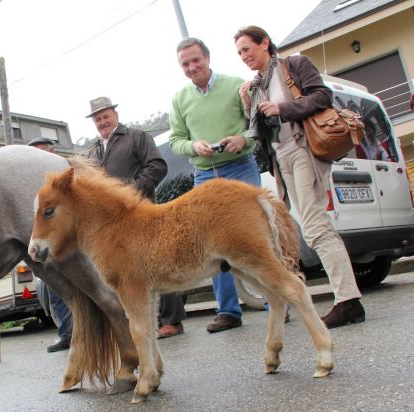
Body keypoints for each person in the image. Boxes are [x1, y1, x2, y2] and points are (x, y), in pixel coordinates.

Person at [234, 25, 365, 328]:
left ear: (264, 42)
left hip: (304, 149)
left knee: (317, 226)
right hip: (282, 159)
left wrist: (283, 108)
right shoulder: (257, 84)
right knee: (306, 227)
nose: (243, 56)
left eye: (247, 49)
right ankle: (337, 299)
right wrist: (248, 103)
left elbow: (322, 96)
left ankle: (348, 301)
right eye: (239, 53)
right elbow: (259, 129)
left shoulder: (294, 64)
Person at [169, 37, 261, 334]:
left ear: (207, 57)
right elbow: (175, 141)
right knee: (213, 244)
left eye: (196, 60)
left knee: (255, 236)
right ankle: (228, 312)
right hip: (205, 175)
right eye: (185, 63)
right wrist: (194, 146)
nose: (192, 67)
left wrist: (242, 139)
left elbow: (256, 125)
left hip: (240, 167)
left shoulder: (236, 84)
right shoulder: (179, 99)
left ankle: (276, 303)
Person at [86, 96, 187, 338]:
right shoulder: (92, 152)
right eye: (98, 118)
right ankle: (140, 324)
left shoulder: (136, 137)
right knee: (129, 274)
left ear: (115, 115)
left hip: (141, 213)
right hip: (111, 226)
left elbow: (157, 166)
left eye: (106, 115)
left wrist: (132, 189)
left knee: (157, 266)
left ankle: (172, 322)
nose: (102, 121)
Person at [27, 136, 74, 352]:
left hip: (70, 243)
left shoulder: (65, 176)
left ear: (52, 151)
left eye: (42, 153)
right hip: (48, 245)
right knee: (55, 290)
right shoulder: (31, 183)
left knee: (81, 289)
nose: (38, 159)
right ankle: (66, 334)